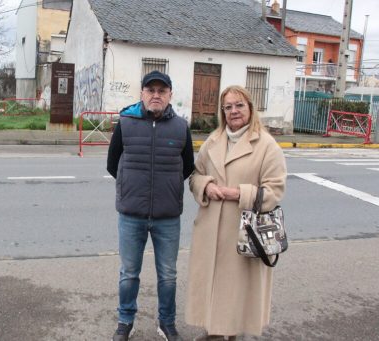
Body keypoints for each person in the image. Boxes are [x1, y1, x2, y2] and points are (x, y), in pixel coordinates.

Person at [185, 85, 287, 340]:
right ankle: (215, 332)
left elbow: (274, 191)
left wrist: (238, 193)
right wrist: (206, 185)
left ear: (250, 107)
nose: (234, 111)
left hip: (245, 232)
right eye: (228, 107)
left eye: (239, 105)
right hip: (211, 230)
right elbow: (195, 175)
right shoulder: (214, 140)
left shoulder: (266, 145)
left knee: (237, 291)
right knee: (213, 286)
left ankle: (233, 334)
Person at [107, 70, 194, 341]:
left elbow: (187, 166)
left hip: (167, 216)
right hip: (131, 214)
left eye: (162, 91)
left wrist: (164, 191)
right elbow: (113, 164)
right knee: (129, 273)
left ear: (170, 95)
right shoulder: (125, 123)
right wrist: (133, 190)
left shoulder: (181, 127)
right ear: (142, 93)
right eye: (150, 90)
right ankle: (125, 321)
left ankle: (166, 323)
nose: (156, 95)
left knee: (168, 274)